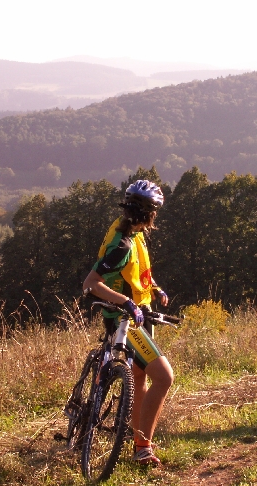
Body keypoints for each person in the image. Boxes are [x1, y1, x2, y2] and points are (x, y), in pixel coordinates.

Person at [83, 179, 173, 466]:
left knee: (138, 377)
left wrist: (154, 289)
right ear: (152, 214)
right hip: (127, 321)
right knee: (163, 376)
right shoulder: (122, 243)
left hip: (136, 314)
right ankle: (144, 446)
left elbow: (135, 272)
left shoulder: (131, 231)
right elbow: (91, 283)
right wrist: (126, 303)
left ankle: (139, 445)